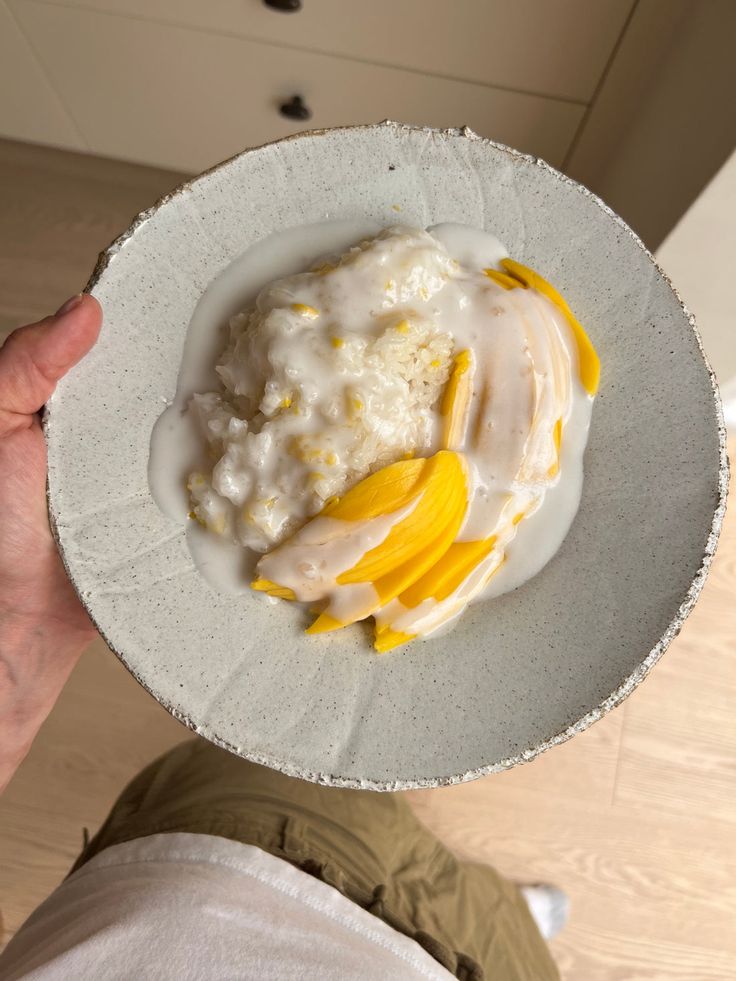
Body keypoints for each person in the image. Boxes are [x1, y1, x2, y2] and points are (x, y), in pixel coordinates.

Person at [0, 298, 567, 980]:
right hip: (462, 968)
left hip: (212, 862)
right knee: (488, 922)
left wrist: (19, 622)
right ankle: (500, 914)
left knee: (344, 798)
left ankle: (486, 904)